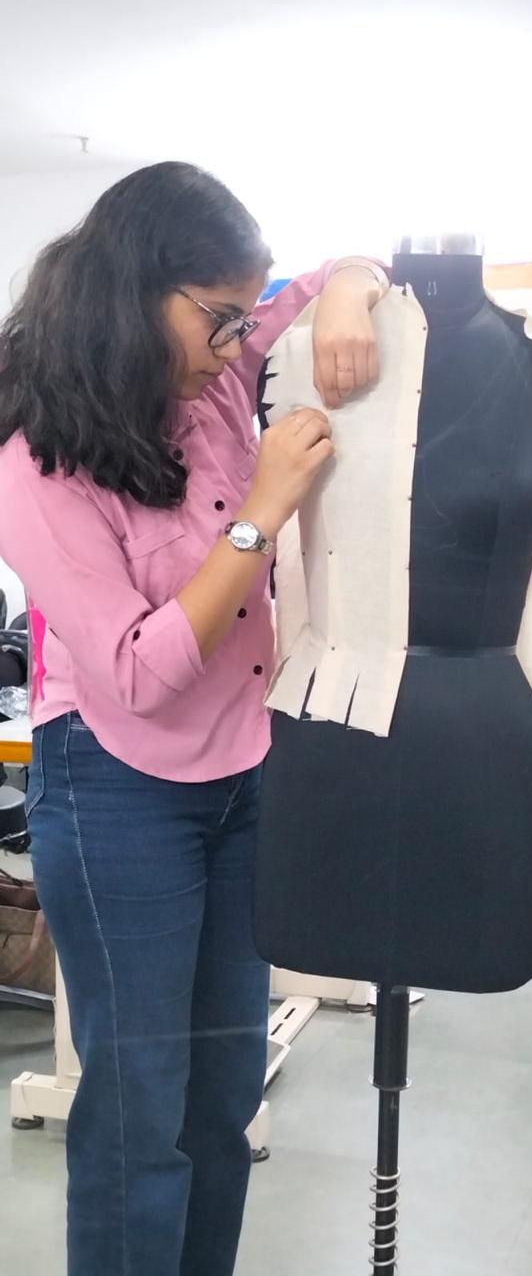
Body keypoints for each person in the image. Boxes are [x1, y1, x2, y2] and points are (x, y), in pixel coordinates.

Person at [0, 161, 387, 1276]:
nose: (237, 343)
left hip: (240, 779)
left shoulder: (211, 370)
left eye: (243, 316)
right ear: (134, 292)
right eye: (219, 317)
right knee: (141, 1108)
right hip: (117, 788)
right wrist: (261, 512)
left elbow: (341, 269)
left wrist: (350, 288)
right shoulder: (35, 453)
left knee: (223, 1098)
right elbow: (136, 673)